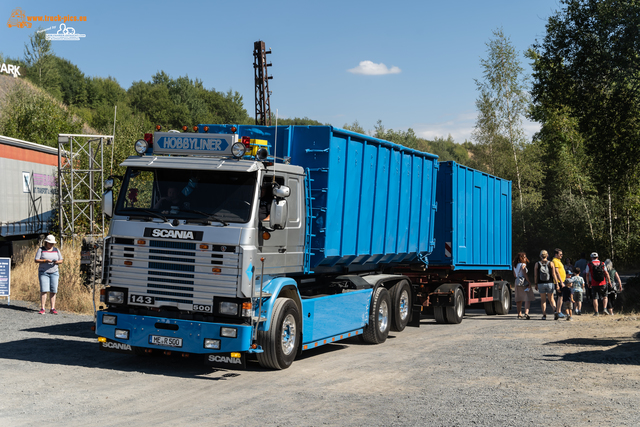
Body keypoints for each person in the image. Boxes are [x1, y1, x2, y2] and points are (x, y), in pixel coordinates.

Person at [34, 235, 64, 315]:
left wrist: (57, 262)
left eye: (53, 243)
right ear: (46, 242)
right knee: (44, 290)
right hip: (43, 272)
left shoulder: (56, 250)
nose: (52, 245)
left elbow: (61, 260)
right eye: (50, 243)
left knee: (53, 290)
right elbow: (36, 260)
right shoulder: (41, 249)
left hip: (54, 272)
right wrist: (45, 260)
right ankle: (42, 308)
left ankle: (52, 308)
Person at [534, 250, 558, 320]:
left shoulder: (537, 264)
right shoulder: (551, 263)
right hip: (550, 283)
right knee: (551, 299)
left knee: (543, 300)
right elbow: (554, 274)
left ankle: (544, 315)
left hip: (541, 284)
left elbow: (535, 275)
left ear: (540, 256)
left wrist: (535, 284)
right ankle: (555, 310)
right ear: (547, 255)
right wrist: (557, 283)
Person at [585, 252, 611, 316]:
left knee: (595, 298)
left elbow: (587, 274)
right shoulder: (602, 263)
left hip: (594, 284)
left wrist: (588, 283)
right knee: (605, 296)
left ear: (591, 258)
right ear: (598, 257)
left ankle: (596, 312)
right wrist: (609, 281)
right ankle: (604, 308)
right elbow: (606, 273)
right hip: (603, 283)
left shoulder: (589, 264)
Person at [512, 252, 533, 319]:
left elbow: (515, 275)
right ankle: (526, 313)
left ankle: (519, 314)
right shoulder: (523, 264)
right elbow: (524, 273)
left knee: (519, 299)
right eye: (524, 257)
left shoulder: (515, 265)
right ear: (521, 258)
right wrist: (529, 281)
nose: (525, 258)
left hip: (517, 282)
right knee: (527, 298)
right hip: (524, 282)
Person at [552, 248, 567, 320]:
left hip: (561, 281)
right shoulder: (555, 261)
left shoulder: (558, 261)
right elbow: (556, 272)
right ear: (556, 254)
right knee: (560, 296)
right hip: (558, 281)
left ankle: (558, 311)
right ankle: (558, 311)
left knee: (560, 297)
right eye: (560, 254)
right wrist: (560, 282)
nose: (562, 255)